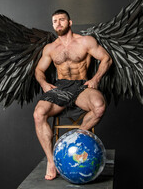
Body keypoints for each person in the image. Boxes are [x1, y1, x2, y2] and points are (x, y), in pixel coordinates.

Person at [33, 9, 112, 180]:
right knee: (38, 114)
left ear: (70, 22)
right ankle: (51, 161)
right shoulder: (51, 47)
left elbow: (107, 58)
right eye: (55, 21)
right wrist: (44, 83)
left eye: (62, 20)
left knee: (99, 106)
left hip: (81, 85)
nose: (58, 23)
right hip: (60, 87)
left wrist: (96, 78)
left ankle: (76, 136)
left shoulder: (85, 41)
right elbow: (39, 70)